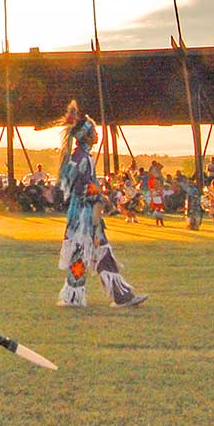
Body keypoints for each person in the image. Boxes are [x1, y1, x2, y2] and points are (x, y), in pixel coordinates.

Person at [57, 101, 147, 308]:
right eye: (94, 131)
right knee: (94, 252)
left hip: (79, 213)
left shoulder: (78, 156)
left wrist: (99, 196)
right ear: (86, 136)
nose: (97, 134)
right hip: (86, 214)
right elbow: (82, 187)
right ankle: (119, 297)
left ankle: (75, 297)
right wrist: (100, 197)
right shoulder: (83, 159)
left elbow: (77, 187)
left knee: (86, 253)